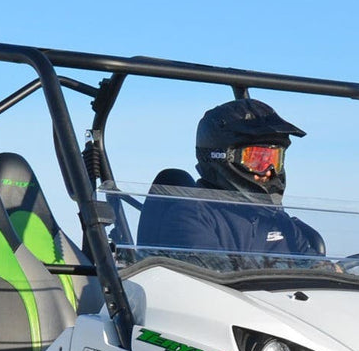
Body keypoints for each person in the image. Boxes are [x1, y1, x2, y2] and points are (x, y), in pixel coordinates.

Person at [136, 98, 323, 258]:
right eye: (257, 159)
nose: (269, 171)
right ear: (221, 158)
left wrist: (330, 270)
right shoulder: (190, 215)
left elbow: (313, 266)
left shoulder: (276, 218)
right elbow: (215, 278)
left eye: (275, 159)